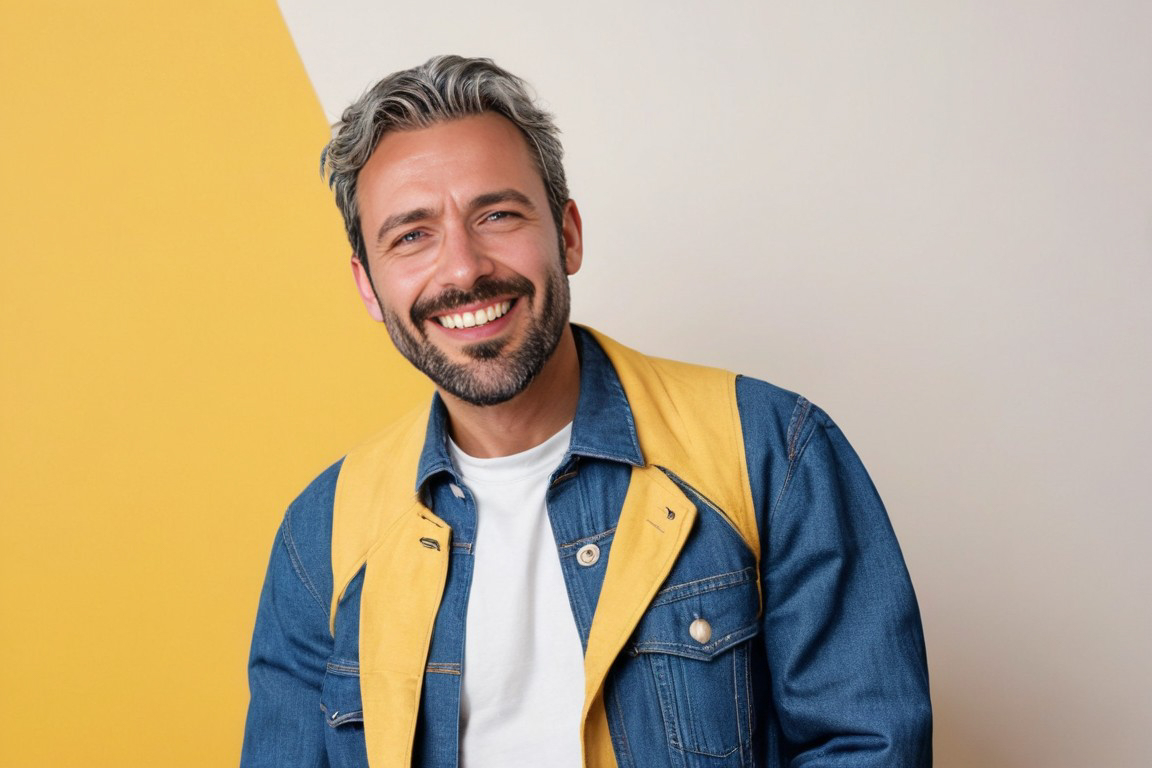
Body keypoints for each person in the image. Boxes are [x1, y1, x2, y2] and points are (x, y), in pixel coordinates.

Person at [240, 55, 932, 768]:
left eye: (497, 215)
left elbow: (868, 746)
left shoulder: (769, 451)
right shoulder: (321, 535)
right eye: (411, 235)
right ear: (368, 286)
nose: (464, 268)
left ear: (567, 233)